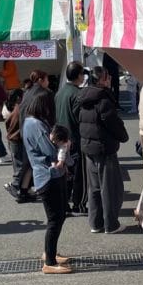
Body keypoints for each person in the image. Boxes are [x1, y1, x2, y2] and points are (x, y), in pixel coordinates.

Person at [21, 87, 71, 274]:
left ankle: (50, 252)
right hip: (47, 176)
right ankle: (49, 261)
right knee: (55, 218)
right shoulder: (36, 125)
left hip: (46, 175)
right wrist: (62, 145)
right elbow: (49, 150)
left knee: (58, 216)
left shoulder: (30, 122)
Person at [76, 66, 129, 234]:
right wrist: (123, 136)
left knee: (95, 188)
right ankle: (111, 224)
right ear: (101, 80)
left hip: (89, 148)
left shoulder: (84, 98)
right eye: (108, 77)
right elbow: (113, 123)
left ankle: (96, 223)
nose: (110, 79)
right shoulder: (103, 99)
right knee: (110, 188)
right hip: (104, 149)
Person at [55, 61, 86, 215]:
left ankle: (63, 204)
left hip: (61, 139)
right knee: (79, 175)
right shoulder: (77, 94)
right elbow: (79, 118)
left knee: (66, 175)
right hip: (74, 139)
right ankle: (78, 204)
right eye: (82, 74)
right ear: (78, 75)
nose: (83, 77)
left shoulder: (60, 92)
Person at [4, 88, 35, 203]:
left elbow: (8, 123)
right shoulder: (21, 108)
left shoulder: (15, 108)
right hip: (16, 140)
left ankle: (24, 190)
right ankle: (15, 185)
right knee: (21, 166)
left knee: (25, 166)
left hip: (15, 139)